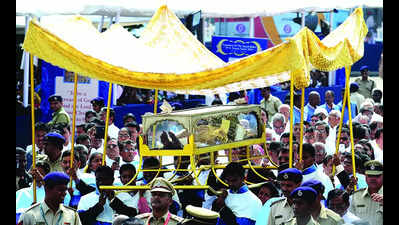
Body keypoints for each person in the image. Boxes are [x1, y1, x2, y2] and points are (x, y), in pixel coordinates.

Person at [17, 172, 82, 225]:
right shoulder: (29, 215)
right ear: (47, 189)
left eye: (65, 190)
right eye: (60, 190)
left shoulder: (73, 215)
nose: (65, 193)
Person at [349, 160, 383, 225]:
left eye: (377, 176)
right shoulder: (356, 196)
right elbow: (351, 220)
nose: (373, 179)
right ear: (365, 176)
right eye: (370, 175)